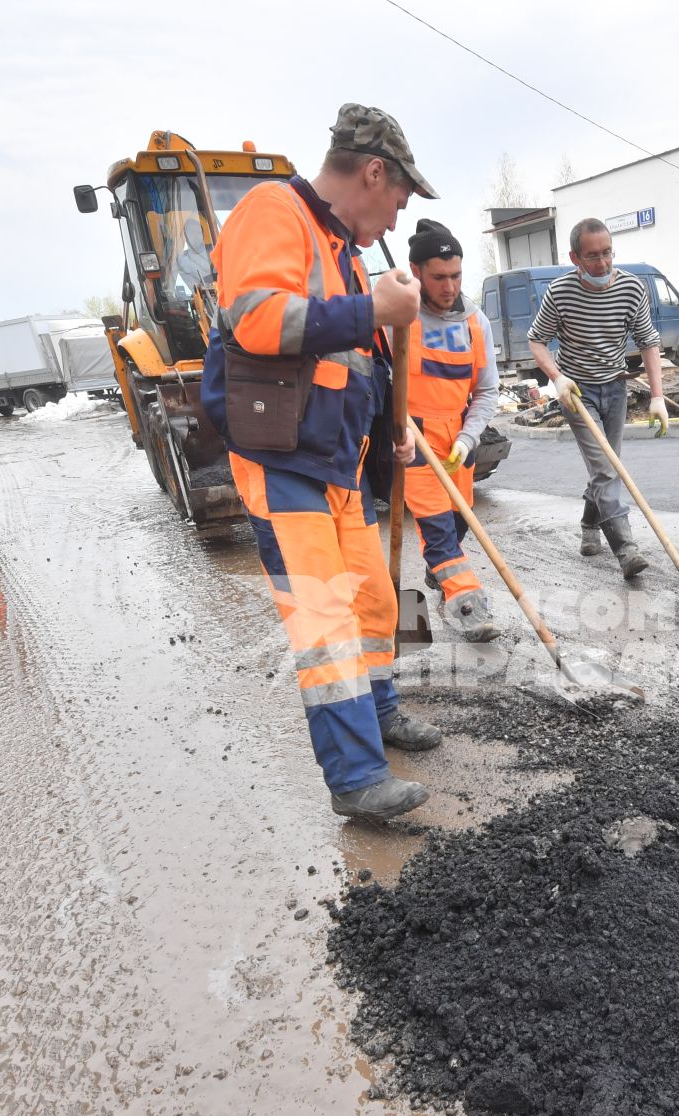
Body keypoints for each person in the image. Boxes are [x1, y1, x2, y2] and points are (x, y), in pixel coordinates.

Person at [200, 103, 442, 822]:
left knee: (370, 603)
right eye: (398, 200)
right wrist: (371, 310)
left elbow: (348, 365)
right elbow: (259, 321)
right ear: (373, 173)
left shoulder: (343, 251)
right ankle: (358, 779)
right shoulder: (272, 211)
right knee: (325, 625)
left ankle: (381, 712)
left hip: (336, 463)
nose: (397, 222)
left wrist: (390, 426)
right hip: (283, 462)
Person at [526, 218, 668, 580]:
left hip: (615, 387)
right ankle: (626, 549)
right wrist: (557, 378)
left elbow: (649, 341)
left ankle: (590, 525)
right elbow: (536, 340)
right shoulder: (559, 293)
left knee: (607, 466)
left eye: (607, 253)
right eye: (592, 257)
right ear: (575, 257)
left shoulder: (632, 289)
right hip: (577, 392)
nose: (602, 264)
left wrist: (657, 396)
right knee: (607, 469)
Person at [402, 218, 501, 642]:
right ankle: (468, 608)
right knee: (440, 532)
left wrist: (468, 436)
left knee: (459, 526)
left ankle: (438, 569)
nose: (449, 286)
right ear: (417, 272)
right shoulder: (398, 318)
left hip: (460, 439)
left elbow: (488, 390)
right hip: (414, 437)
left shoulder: (475, 322)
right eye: (439, 277)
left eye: (457, 276)